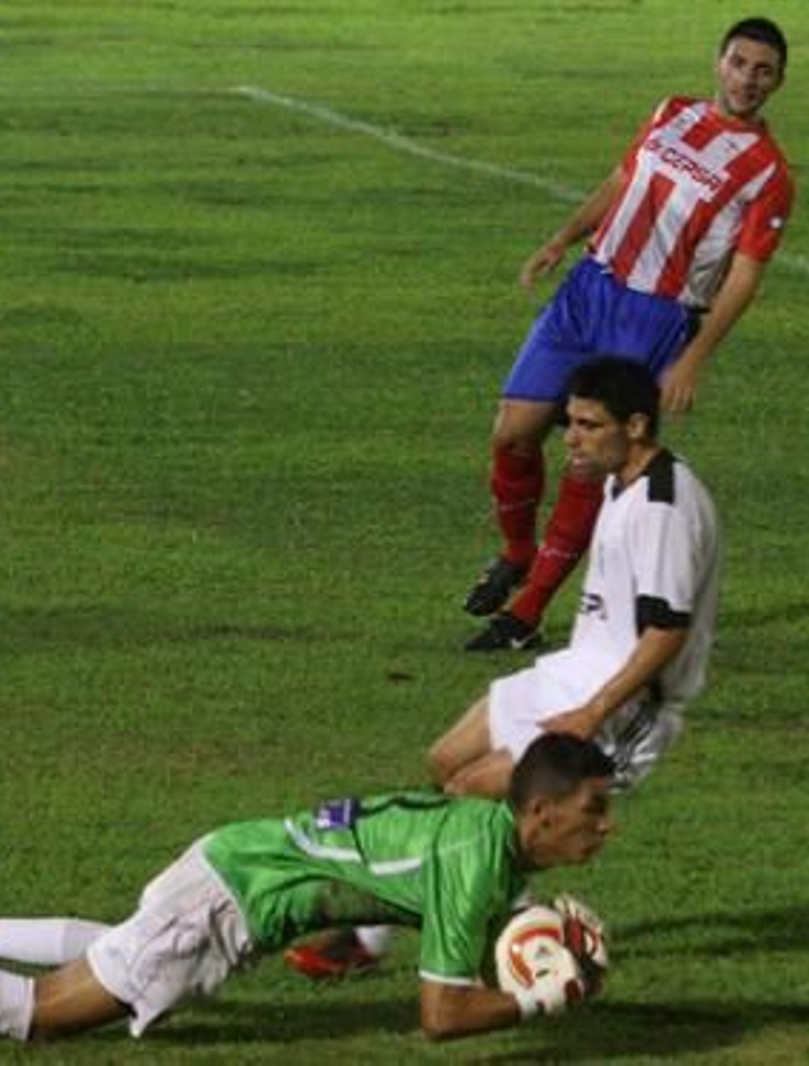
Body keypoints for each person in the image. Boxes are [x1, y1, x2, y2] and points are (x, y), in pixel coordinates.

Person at [0, 734, 617, 1049]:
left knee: (103, 959)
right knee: (43, 1015)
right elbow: (440, 1018)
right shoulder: (477, 863)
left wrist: (533, 933)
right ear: (538, 813)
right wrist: (542, 1002)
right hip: (227, 901)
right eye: (592, 812)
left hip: (234, 858)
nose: (604, 827)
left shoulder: (483, 838)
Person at [289, 357, 718, 978]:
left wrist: (591, 714)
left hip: (622, 703)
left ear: (637, 425)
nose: (570, 437)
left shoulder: (663, 509)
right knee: (445, 765)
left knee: (477, 795)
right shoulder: (620, 478)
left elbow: (666, 632)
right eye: (569, 422)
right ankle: (519, 931)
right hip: (576, 668)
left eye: (588, 425)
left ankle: (420, 940)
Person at [463, 16, 789, 652]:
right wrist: (564, 237)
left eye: (763, 71)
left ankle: (525, 614)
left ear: (777, 84)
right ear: (719, 63)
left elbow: (744, 277)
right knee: (513, 428)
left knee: (588, 458)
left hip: (657, 316)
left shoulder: (768, 175)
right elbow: (620, 183)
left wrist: (694, 357)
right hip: (590, 288)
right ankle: (516, 551)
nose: (748, 79)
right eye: (740, 63)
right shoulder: (671, 112)